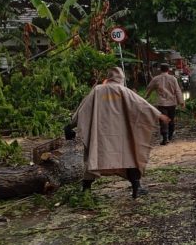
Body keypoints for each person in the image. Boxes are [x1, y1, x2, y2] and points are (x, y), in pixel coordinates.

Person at [64, 67, 170, 199]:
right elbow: (142, 105)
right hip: (120, 135)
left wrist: (70, 125)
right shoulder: (123, 90)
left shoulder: (97, 90)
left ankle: (86, 191)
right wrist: (159, 115)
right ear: (121, 78)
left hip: (99, 135)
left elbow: (83, 110)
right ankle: (136, 189)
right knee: (129, 159)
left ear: (109, 77)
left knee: (93, 159)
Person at [145, 63, 185, 145]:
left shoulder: (156, 79)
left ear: (160, 69)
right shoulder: (173, 79)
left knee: (163, 120)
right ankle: (170, 136)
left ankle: (165, 138)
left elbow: (149, 88)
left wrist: (146, 97)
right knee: (171, 119)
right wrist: (181, 102)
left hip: (161, 103)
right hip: (172, 103)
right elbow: (177, 90)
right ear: (168, 69)